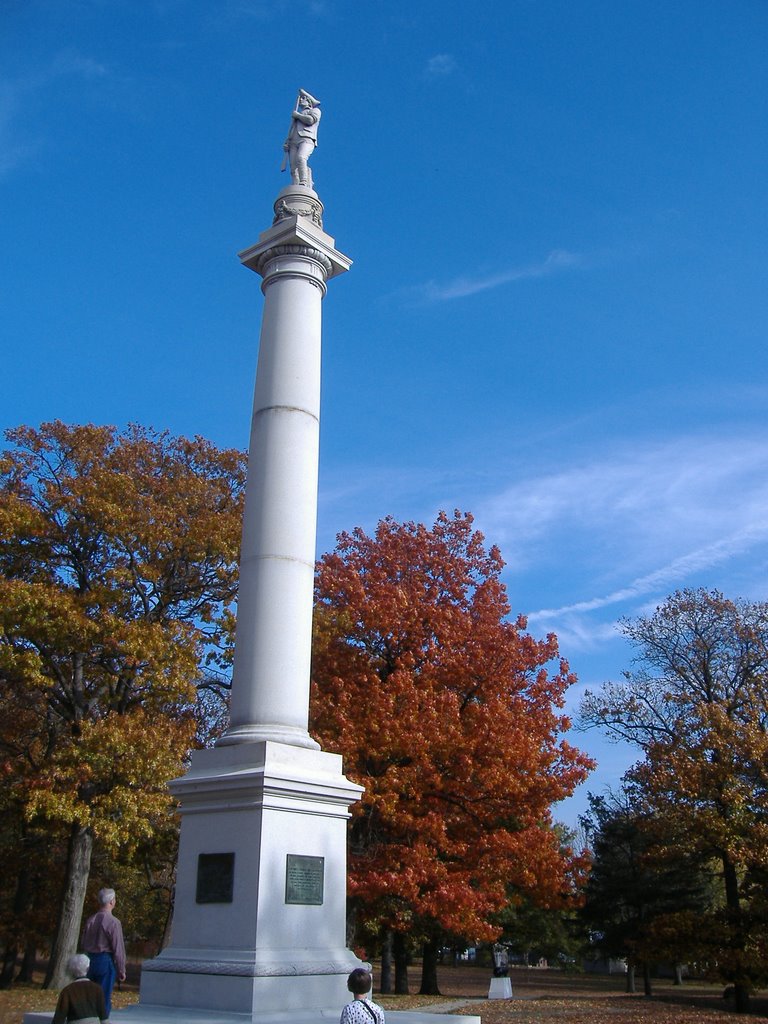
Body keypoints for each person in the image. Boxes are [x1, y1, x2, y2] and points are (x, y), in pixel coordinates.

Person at [81, 887, 126, 1017]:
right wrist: (121, 969)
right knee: (103, 997)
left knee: (89, 997)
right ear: (112, 901)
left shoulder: (90, 920)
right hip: (105, 960)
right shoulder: (113, 922)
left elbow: (83, 942)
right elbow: (118, 948)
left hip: (89, 959)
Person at [52, 954, 108, 1024]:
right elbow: (102, 1013)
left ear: (71, 971)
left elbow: (60, 1017)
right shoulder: (97, 989)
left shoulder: (67, 991)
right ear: (88, 968)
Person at [283, 89, 321, 189]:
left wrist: (298, 115)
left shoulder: (315, 111)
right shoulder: (296, 117)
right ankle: (296, 183)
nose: (301, 100)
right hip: (293, 142)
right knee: (293, 166)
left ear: (309, 101)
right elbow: (293, 129)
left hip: (307, 139)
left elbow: (310, 120)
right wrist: (288, 141)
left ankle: (304, 181)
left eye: (303, 98)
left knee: (301, 158)